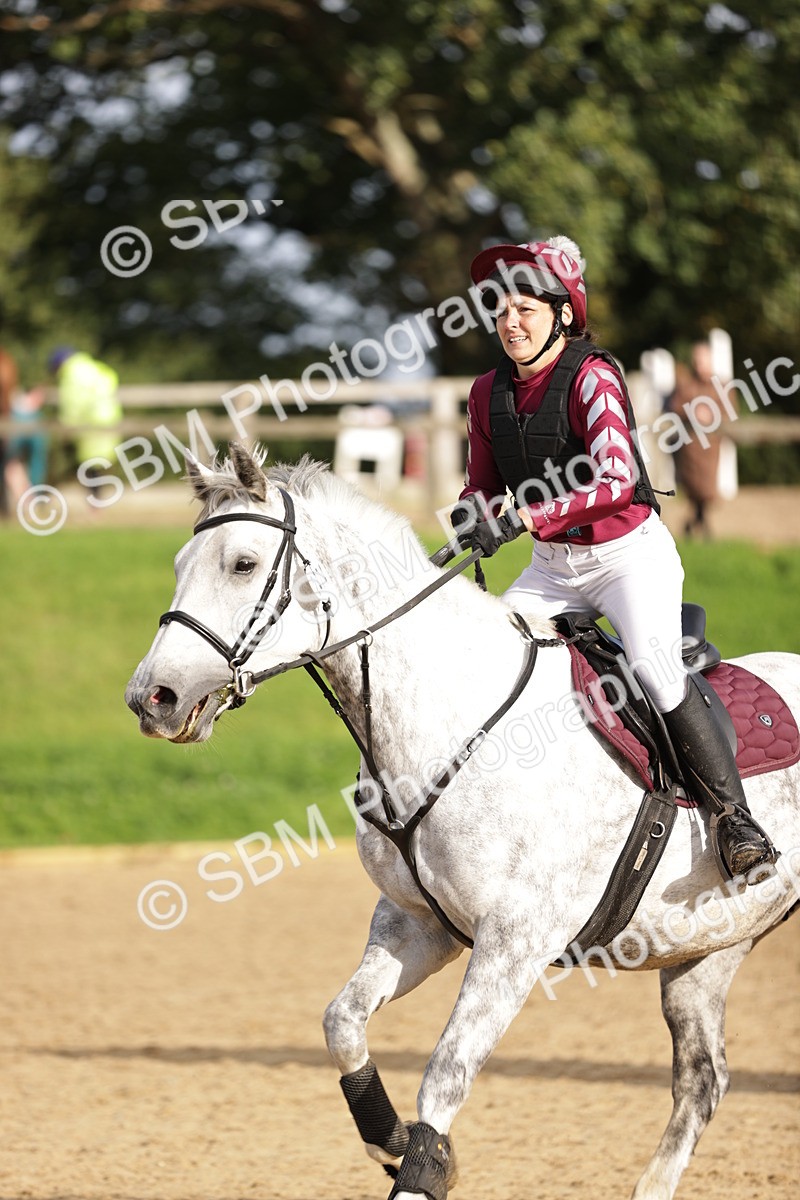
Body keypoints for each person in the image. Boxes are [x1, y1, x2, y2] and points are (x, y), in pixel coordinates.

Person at [450, 235, 775, 880]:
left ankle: (735, 822)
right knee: (483, 666)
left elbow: (617, 481)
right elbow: (481, 487)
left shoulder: (593, 377)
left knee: (654, 671)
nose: (509, 323)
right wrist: (471, 517)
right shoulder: (486, 392)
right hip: (551, 569)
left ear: (562, 315)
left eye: (526, 310)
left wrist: (521, 517)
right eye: (501, 309)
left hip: (628, 557)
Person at [666, 340, 731, 539]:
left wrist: (711, 413)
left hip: (711, 445)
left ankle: (696, 522)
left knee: (708, 487)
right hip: (690, 446)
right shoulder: (686, 384)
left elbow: (729, 409)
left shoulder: (720, 385)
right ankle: (701, 523)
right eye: (696, 360)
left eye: (702, 359)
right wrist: (692, 411)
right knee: (694, 487)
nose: (699, 364)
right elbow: (675, 406)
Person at [48, 346, 121, 468]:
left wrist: (66, 427)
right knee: (101, 464)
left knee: (88, 466)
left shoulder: (71, 375)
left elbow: (72, 404)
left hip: (89, 421)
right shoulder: (92, 366)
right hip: (110, 417)